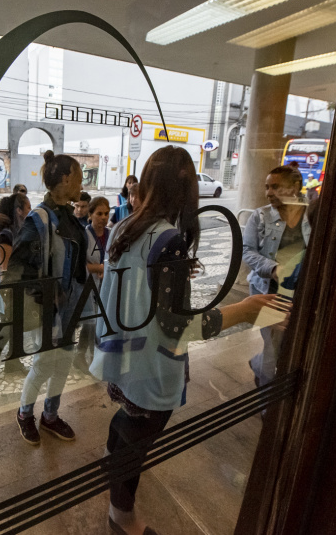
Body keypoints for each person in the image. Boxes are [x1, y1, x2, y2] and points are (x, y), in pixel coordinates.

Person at [89, 146, 276, 535]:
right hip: (151, 366)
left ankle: (112, 459)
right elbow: (179, 326)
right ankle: (121, 516)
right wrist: (244, 310)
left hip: (121, 355)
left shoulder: (125, 226)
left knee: (127, 420)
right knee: (139, 439)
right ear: (187, 190)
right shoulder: (168, 239)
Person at [8, 150, 88, 445]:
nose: (81, 184)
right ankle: (24, 413)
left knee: (64, 362)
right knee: (44, 364)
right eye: (79, 178)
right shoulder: (39, 219)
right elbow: (17, 267)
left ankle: (50, 415)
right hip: (49, 309)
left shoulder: (70, 215)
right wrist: (45, 293)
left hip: (70, 306)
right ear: (66, 179)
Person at [243, 166, 310, 386]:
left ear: (295, 187)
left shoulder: (311, 214)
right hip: (267, 290)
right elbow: (247, 251)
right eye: (267, 187)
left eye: (276, 187)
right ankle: (267, 409)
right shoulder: (260, 216)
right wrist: (271, 268)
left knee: (290, 344)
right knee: (272, 348)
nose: (268, 193)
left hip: (300, 292)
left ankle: (258, 363)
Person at [0, 192, 32, 381]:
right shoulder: (7, 235)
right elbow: (5, 269)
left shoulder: (18, 231)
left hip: (19, 287)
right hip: (9, 289)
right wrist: (9, 294)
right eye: (28, 207)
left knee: (16, 327)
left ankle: (13, 363)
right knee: (7, 327)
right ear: (19, 211)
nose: (31, 211)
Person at [74, 196, 111, 370]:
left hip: (106, 287)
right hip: (88, 288)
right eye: (99, 214)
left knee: (101, 323)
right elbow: (79, 265)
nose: (103, 217)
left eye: (106, 213)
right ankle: (82, 358)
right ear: (90, 215)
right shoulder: (84, 235)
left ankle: (94, 358)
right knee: (90, 323)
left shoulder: (111, 234)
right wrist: (100, 268)